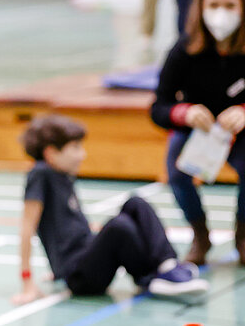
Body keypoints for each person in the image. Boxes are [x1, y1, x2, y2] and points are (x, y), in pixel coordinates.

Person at [12, 115, 209, 305]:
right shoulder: (40, 174)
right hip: (80, 277)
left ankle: (168, 265)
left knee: (136, 203)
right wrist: (27, 280)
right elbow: (28, 226)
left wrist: (56, 268)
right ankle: (150, 278)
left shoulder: (62, 175)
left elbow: (64, 226)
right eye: (75, 147)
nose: (82, 154)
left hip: (85, 256)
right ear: (51, 153)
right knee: (118, 226)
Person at [152, 0, 245, 265]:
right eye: (214, 4)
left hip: (241, 132)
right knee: (176, 169)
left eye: (230, 5)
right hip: (198, 131)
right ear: (200, 7)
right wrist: (184, 113)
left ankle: (243, 235)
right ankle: (200, 235)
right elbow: (159, 106)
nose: (221, 13)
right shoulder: (184, 49)